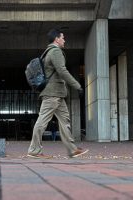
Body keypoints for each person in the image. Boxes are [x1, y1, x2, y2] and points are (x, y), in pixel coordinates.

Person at [27, 28, 89, 158]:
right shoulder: (55, 52)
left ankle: (72, 149)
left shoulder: (47, 52)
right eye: (63, 37)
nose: (64, 40)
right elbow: (62, 71)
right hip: (52, 93)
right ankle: (34, 150)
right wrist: (77, 85)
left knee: (64, 121)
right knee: (42, 121)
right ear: (56, 39)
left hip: (58, 94)